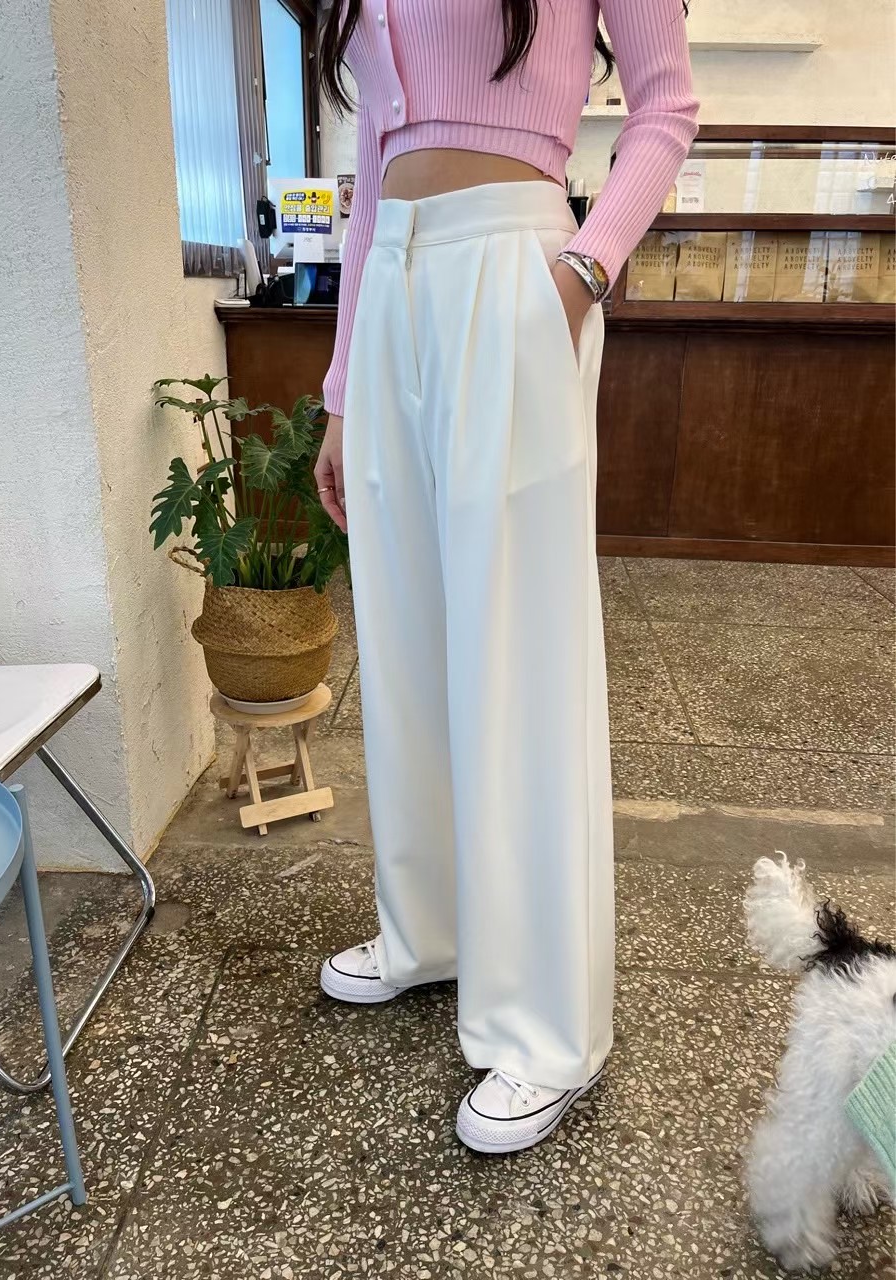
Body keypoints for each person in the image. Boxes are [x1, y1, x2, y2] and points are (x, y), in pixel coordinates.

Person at [313, 0, 698, 1154]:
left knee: (518, 645)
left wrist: (580, 271)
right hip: (393, 288)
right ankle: (427, 926)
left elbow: (665, 104)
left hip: (514, 269)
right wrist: (339, 392)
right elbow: (370, 186)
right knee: (403, 629)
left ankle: (545, 1025)